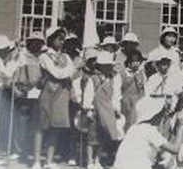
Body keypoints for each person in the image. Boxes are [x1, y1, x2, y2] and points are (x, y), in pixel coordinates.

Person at [36, 27, 75, 169]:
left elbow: (70, 70)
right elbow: (56, 73)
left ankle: (49, 160)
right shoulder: (44, 56)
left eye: (63, 39)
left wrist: (63, 71)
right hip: (48, 92)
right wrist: (63, 72)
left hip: (62, 94)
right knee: (42, 125)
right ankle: (36, 160)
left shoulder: (66, 57)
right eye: (59, 39)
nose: (61, 42)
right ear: (51, 40)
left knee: (56, 126)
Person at [113, 97, 183, 169]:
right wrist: (180, 125)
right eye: (161, 114)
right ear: (154, 116)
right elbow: (175, 149)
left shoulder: (134, 128)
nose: (162, 117)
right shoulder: (149, 130)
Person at [83, 52, 122, 169]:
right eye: (106, 65)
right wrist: (88, 108)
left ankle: (97, 160)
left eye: (110, 65)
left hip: (107, 110)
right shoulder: (93, 79)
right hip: (95, 109)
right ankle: (90, 160)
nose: (109, 68)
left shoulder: (112, 79)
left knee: (103, 136)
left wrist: (116, 109)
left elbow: (115, 96)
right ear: (100, 66)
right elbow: (88, 94)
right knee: (92, 136)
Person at [12, 32, 44, 163]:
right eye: (34, 41)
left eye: (39, 42)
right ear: (30, 42)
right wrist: (15, 89)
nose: (37, 44)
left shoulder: (42, 58)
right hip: (24, 92)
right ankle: (20, 150)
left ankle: (31, 149)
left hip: (38, 94)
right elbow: (14, 75)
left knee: (36, 124)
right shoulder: (22, 57)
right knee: (22, 123)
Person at [0, 35, 17, 164]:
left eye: (7, 49)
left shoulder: (11, 62)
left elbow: (12, 76)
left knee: (5, 121)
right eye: (3, 49)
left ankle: (4, 150)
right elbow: (4, 78)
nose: (6, 52)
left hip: (6, 94)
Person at [120, 48, 146, 131]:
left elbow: (143, 88)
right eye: (134, 61)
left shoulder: (141, 73)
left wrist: (139, 81)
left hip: (137, 100)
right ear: (129, 62)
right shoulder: (124, 72)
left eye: (138, 61)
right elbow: (120, 87)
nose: (136, 63)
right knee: (124, 121)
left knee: (134, 122)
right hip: (125, 100)